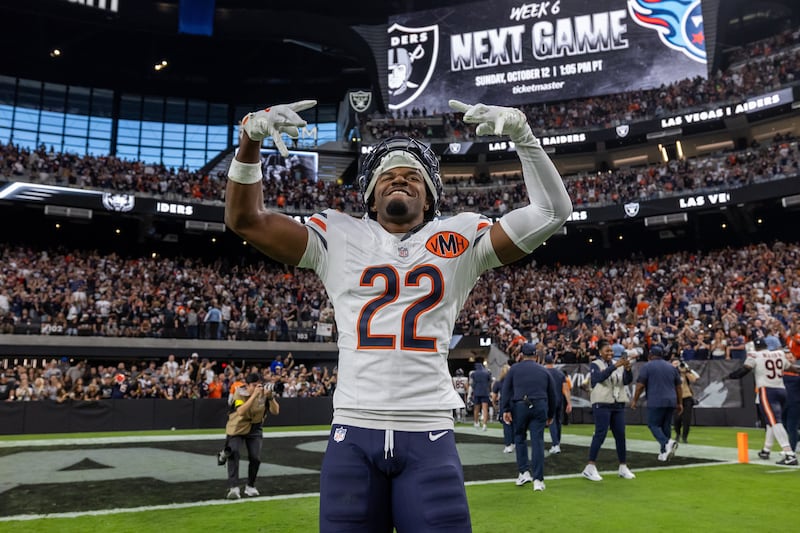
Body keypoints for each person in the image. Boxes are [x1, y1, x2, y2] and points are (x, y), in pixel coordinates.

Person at [225, 98, 572, 531]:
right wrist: (249, 142)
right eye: (388, 177)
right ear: (370, 197)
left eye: (413, 178)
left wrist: (526, 139)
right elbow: (246, 220)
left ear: (429, 200)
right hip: (353, 428)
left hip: (429, 431)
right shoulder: (338, 234)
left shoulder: (460, 238)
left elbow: (553, 212)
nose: (400, 182)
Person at [727, 338, 798, 465]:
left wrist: (730, 376)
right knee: (771, 422)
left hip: (767, 390)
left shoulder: (755, 355)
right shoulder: (779, 353)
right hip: (782, 390)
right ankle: (766, 449)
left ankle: (789, 454)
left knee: (775, 422)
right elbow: (791, 368)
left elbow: (744, 370)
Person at [501, 342, 557, 492]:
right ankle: (538, 480)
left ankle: (524, 472)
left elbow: (506, 391)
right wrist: (551, 414)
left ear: (521, 355)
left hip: (520, 405)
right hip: (540, 405)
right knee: (537, 441)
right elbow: (553, 394)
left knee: (519, 438)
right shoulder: (544, 370)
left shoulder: (514, 369)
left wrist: (505, 409)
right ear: (536, 356)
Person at [581, 339, 636, 481]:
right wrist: (615, 366)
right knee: (600, 434)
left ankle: (623, 466)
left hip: (617, 403)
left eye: (611, 351)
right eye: (607, 351)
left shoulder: (618, 365)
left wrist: (628, 369)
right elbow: (598, 378)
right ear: (600, 352)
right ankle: (590, 467)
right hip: (602, 403)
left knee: (620, 435)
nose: (610, 353)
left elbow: (626, 381)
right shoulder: (595, 364)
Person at [221, 372, 280, 499]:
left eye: (259, 385)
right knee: (234, 452)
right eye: (254, 385)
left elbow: (276, 411)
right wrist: (254, 396)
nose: (258, 387)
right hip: (237, 426)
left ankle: (250, 486)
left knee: (255, 457)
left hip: (255, 427)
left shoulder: (265, 394)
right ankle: (234, 487)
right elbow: (241, 411)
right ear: (246, 385)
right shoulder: (239, 393)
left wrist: (270, 398)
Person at [631, 344, 682, 461]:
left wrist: (635, 400)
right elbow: (679, 387)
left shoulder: (647, 367)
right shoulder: (671, 367)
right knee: (666, 426)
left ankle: (666, 442)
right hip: (671, 400)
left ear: (650, 355)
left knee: (653, 425)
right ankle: (664, 453)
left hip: (656, 400)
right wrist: (680, 403)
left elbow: (640, 386)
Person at [544, 354, 572, 454]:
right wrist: (569, 403)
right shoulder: (560, 373)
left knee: (551, 421)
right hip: (559, 400)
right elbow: (566, 389)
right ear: (553, 361)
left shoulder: (543, 372)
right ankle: (557, 443)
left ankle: (555, 444)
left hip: (548, 400)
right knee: (558, 422)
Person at [672, 357, 699, 443]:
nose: (677, 365)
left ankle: (684, 437)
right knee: (677, 419)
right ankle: (677, 434)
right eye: (675, 364)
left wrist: (687, 370)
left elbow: (695, 379)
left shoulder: (684, 372)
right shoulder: (670, 373)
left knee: (686, 419)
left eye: (678, 363)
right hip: (675, 398)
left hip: (687, 397)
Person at [492, 363, 515, 453]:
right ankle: (514, 442)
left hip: (505, 403)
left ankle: (508, 445)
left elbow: (494, 396)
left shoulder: (498, 383)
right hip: (515, 403)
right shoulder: (514, 381)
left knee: (507, 425)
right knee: (515, 424)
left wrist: (494, 404)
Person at [470, 360, 492, 431]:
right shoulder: (486, 373)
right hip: (485, 392)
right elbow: (490, 381)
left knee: (476, 409)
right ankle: (484, 425)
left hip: (477, 392)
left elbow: (472, 384)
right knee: (485, 409)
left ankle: (476, 423)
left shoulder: (474, 373)